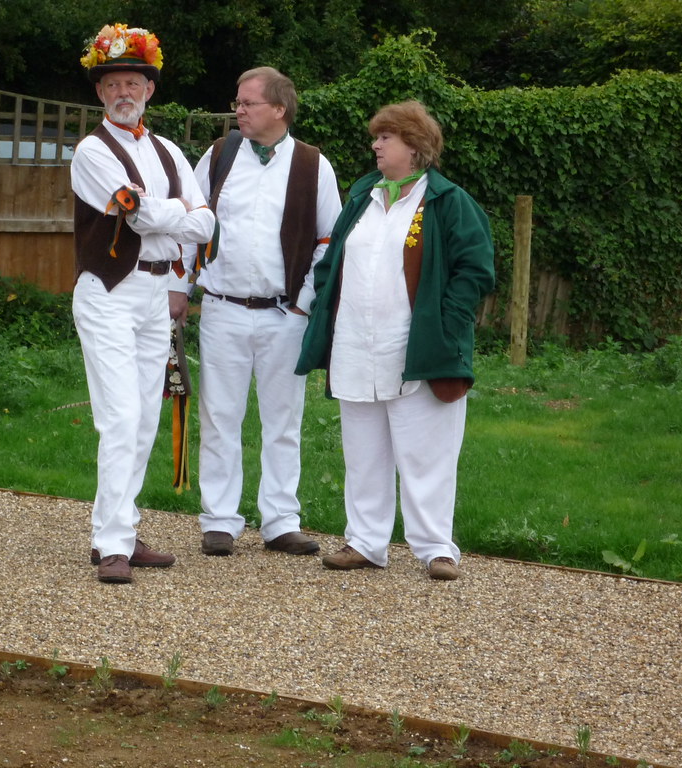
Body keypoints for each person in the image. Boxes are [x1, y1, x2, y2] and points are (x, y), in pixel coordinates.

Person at [296, 101, 495, 581]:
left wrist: (445, 324)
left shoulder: (448, 201)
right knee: (363, 452)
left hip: (419, 349)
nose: (375, 145)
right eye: (377, 137)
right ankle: (365, 542)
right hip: (355, 346)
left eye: (386, 137)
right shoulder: (365, 192)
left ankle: (436, 549)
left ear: (415, 146)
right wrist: (326, 298)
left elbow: (475, 269)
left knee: (427, 453)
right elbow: (335, 256)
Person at [72, 23, 216, 583]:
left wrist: (174, 211)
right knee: (120, 416)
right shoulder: (91, 151)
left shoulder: (170, 151)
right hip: (108, 292)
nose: (123, 93)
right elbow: (137, 214)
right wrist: (179, 211)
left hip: (158, 294)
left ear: (149, 90)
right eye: (113, 85)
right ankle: (112, 545)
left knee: (147, 419)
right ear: (101, 93)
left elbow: (206, 223)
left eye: (133, 82)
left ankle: (120, 528)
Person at [183, 67, 342, 557]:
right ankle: (220, 521)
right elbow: (190, 225)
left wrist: (302, 304)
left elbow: (328, 240)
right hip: (223, 309)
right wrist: (182, 289)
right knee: (219, 416)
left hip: (284, 315)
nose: (239, 109)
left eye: (248, 102)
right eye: (238, 100)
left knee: (283, 421)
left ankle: (280, 522)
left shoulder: (314, 166)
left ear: (279, 109)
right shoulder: (219, 155)